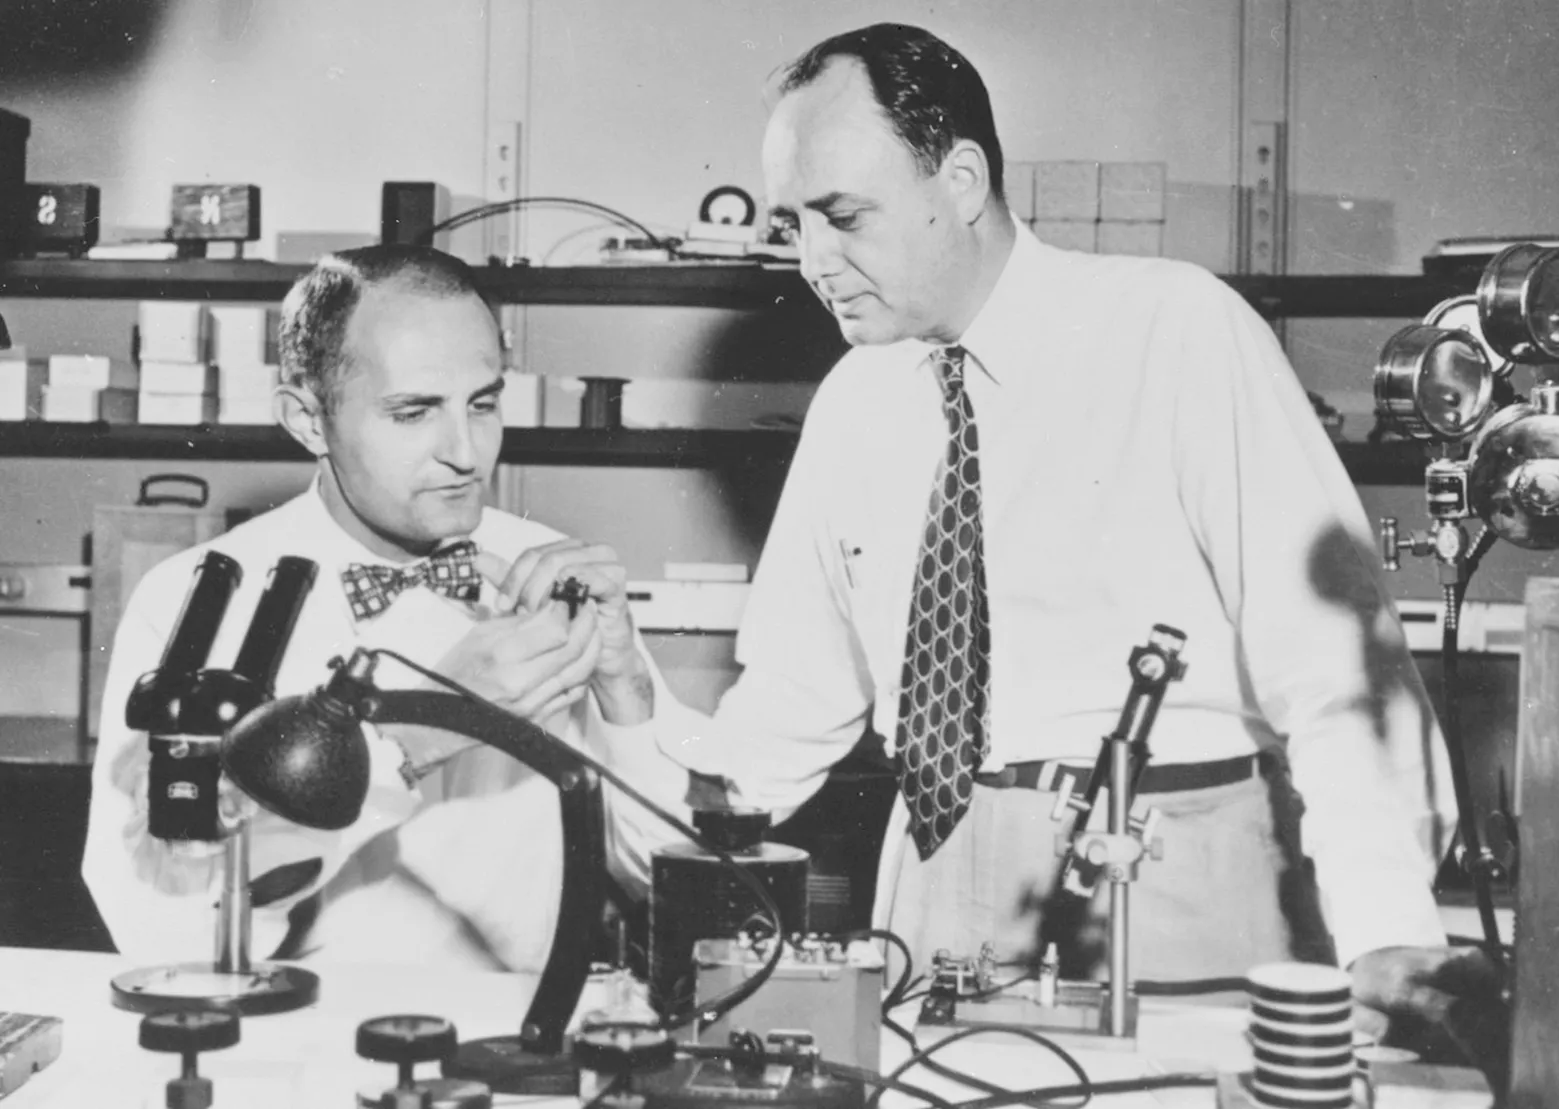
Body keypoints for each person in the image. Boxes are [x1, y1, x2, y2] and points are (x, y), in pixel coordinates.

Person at [657, 22, 1499, 1027]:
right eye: (793, 222)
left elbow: (1335, 660)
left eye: (842, 216)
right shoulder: (853, 400)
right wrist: (632, 724)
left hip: (1174, 873)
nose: (811, 261)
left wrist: (1382, 926)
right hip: (931, 886)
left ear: (960, 180)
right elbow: (793, 704)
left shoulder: (1174, 328)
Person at [82, 244, 692, 970]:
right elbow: (160, 929)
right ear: (307, 419)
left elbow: (671, 881)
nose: (466, 452)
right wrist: (411, 737)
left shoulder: (552, 576)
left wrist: (627, 691)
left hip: (520, 1047)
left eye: (484, 403)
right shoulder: (198, 606)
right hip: (296, 1051)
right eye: (413, 412)